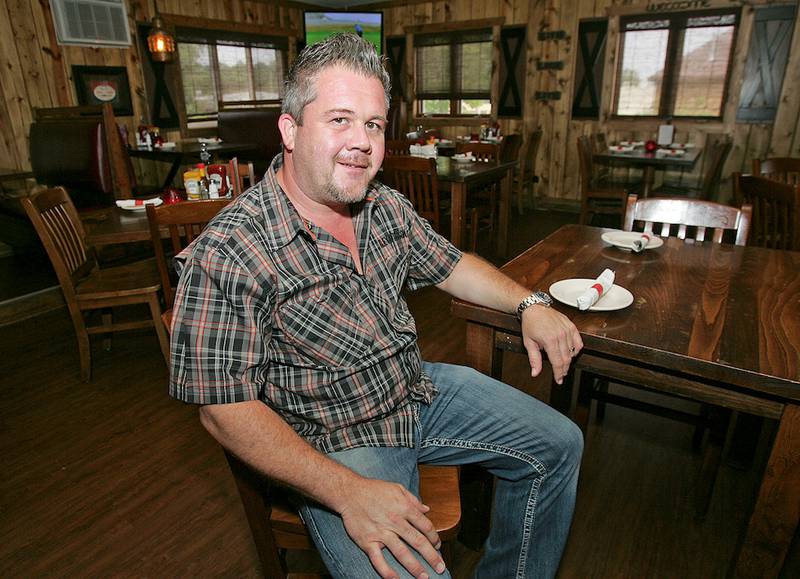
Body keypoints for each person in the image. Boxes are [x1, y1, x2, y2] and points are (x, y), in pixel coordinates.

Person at [169, 33, 583, 579]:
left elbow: (454, 265)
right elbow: (222, 409)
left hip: (415, 390)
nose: (361, 142)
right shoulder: (231, 250)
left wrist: (530, 301)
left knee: (560, 445)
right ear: (290, 131)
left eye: (373, 124)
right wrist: (347, 492)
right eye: (339, 119)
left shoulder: (382, 205)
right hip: (336, 439)